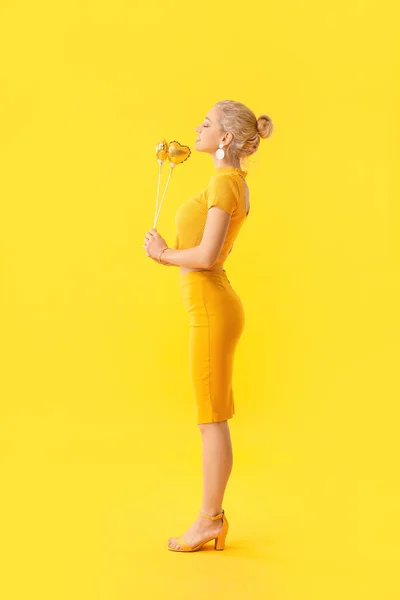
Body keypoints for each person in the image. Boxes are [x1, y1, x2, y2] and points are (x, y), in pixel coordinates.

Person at [142, 100, 273, 552]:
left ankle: (209, 521)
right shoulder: (232, 182)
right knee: (211, 418)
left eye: (207, 124)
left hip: (212, 311)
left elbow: (206, 257)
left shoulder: (225, 184)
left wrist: (162, 254)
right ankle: (211, 519)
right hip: (212, 308)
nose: (196, 128)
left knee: (211, 421)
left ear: (226, 139)